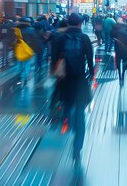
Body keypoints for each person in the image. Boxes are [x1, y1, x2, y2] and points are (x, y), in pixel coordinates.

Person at [50, 13, 94, 163]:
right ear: (81, 23)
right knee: (80, 112)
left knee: (67, 104)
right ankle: (77, 147)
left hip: (64, 79)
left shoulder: (59, 38)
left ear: (68, 23)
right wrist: (91, 74)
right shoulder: (85, 38)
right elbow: (90, 57)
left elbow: (54, 58)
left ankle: (67, 120)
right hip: (80, 79)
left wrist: (55, 74)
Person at [16, 18, 38, 85]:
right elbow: (34, 41)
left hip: (19, 50)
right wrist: (36, 49)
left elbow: (13, 40)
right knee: (27, 64)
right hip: (28, 50)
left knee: (19, 64)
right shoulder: (31, 30)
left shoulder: (17, 30)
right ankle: (25, 78)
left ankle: (19, 77)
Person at [112, 18, 127, 85]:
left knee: (118, 60)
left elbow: (111, 35)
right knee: (125, 61)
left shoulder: (114, 28)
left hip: (117, 48)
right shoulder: (125, 28)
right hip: (125, 48)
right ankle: (123, 74)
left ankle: (119, 75)